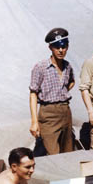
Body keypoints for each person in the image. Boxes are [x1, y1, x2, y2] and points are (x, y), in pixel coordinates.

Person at [28, 27, 75, 155]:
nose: (61, 50)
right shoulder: (40, 67)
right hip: (48, 113)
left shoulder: (68, 66)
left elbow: (72, 81)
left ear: (67, 47)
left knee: (68, 152)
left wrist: (62, 91)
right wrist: (34, 122)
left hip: (65, 111)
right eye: (57, 47)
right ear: (50, 48)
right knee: (52, 153)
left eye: (63, 47)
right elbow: (33, 93)